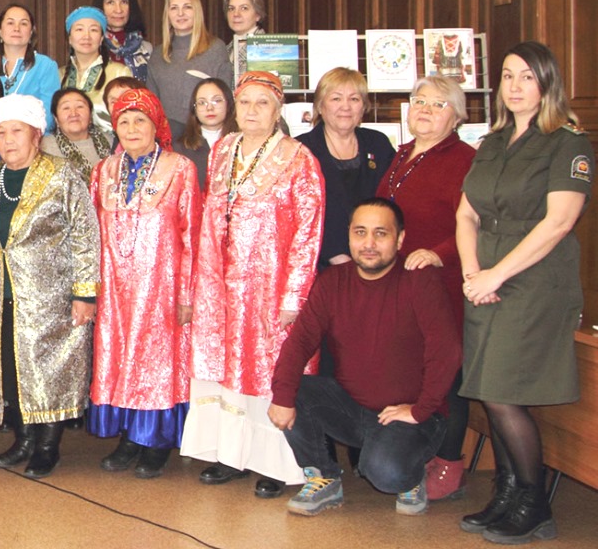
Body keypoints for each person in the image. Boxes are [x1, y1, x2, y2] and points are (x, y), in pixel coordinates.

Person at [454, 42, 592, 543]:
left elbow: (559, 223)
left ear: (547, 83)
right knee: (489, 389)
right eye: (508, 76)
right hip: (486, 278)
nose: (514, 86)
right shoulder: (492, 142)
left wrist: (495, 276)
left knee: (502, 391)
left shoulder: (567, 142)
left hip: (534, 280)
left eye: (527, 77)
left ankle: (534, 503)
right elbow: (466, 214)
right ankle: (508, 493)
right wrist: (473, 273)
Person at [270, 199, 462, 518]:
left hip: (410, 416)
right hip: (353, 407)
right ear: (349, 236)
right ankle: (323, 476)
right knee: (294, 390)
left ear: (400, 240)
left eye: (380, 233)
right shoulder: (333, 281)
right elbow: (301, 340)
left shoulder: (420, 280)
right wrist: (282, 396)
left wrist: (420, 409)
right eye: (360, 232)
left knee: (384, 474)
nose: (369, 243)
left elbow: (448, 351)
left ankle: (412, 475)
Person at [182, 70, 323, 499]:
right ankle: (231, 455)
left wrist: (294, 295)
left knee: (268, 371)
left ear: (279, 110)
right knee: (227, 370)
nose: (252, 111)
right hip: (221, 286)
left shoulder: (299, 159)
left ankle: (277, 464)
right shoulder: (224, 149)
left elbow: (308, 232)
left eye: (262, 103)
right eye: (245, 103)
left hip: (269, 286)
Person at [0, 94, 99, 479]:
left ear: (36, 134)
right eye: (1, 133)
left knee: (50, 370)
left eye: (17, 131)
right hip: (2, 294)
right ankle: (23, 439)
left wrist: (85, 292)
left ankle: (48, 446)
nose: (8, 140)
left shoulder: (62, 174)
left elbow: (85, 234)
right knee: (13, 366)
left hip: (52, 295)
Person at [376, 75, 476, 501]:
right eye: (419, 101)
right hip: (400, 286)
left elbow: (474, 223)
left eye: (438, 104)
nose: (425, 109)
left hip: (441, 283)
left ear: (456, 115)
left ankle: (450, 462)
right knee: (413, 371)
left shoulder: (465, 159)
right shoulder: (402, 153)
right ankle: (418, 451)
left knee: (446, 373)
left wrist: (437, 253)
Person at [89, 88, 197, 479]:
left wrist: (186, 292)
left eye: (140, 121)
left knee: (156, 362)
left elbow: (191, 234)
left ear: (156, 125)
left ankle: (157, 442)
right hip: (115, 287)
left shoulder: (180, 168)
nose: (131, 128)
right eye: (123, 121)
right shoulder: (104, 170)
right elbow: (90, 234)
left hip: (162, 286)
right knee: (120, 358)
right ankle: (129, 439)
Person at [297, 68, 396, 267]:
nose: (345, 107)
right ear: (320, 106)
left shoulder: (378, 143)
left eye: (354, 99)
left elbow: (393, 200)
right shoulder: (300, 150)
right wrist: (336, 256)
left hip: (377, 261)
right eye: (336, 99)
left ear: (364, 107)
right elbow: (298, 216)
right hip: (321, 265)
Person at [146, 0, 232, 123]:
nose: (180, 13)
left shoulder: (215, 48)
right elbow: (153, 105)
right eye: (174, 8)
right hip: (169, 137)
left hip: (206, 134)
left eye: (187, 7)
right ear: (167, 14)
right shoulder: (157, 55)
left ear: (197, 12)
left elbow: (226, 99)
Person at [0, 4, 61, 130]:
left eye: (23, 23)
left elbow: (49, 115)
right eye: (10, 23)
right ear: (0, 31)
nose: (16, 28)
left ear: (31, 33)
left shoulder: (45, 66)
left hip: (32, 141)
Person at [59, 6, 130, 129]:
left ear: (102, 38)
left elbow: (130, 117)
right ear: (69, 39)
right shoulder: (58, 75)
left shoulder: (120, 73)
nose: (86, 36)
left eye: (93, 30)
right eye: (79, 29)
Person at [174, 77, 238, 191]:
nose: (209, 108)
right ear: (194, 109)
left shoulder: (241, 143)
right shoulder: (180, 149)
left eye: (217, 100)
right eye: (202, 103)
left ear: (228, 104)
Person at [41, 87, 113, 179]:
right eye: (66, 108)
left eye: (80, 106)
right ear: (56, 118)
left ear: (90, 114)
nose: (74, 113)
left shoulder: (110, 142)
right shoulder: (44, 147)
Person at [92, 0, 151, 82]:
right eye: (111, 2)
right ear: (100, 7)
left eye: (124, 2)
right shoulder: (92, 46)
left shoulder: (146, 49)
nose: (118, 10)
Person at [224, 0, 267, 77]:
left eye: (244, 8)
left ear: (258, 15)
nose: (236, 14)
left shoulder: (268, 47)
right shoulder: (225, 49)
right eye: (231, 8)